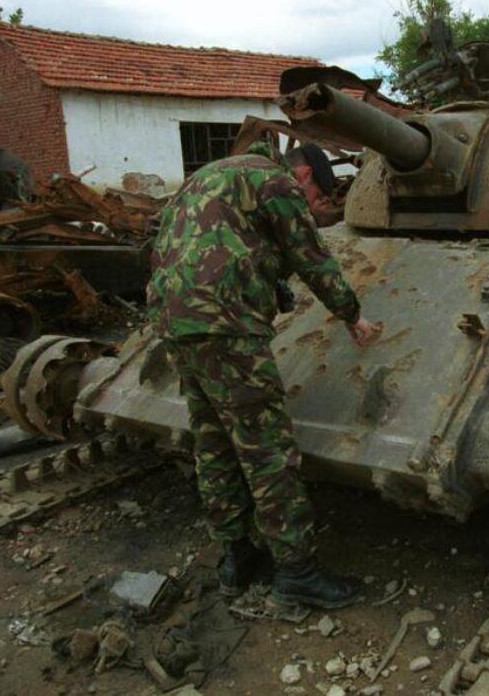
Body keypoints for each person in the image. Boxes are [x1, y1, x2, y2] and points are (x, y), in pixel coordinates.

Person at [147, 142, 380, 609]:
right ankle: (297, 572)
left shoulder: (215, 173)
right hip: (225, 324)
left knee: (213, 441)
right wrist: (351, 315)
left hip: (174, 319)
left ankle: (236, 558)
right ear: (306, 177)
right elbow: (310, 256)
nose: (315, 206)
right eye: (318, 198)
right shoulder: (278, 183)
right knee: (266, 450)